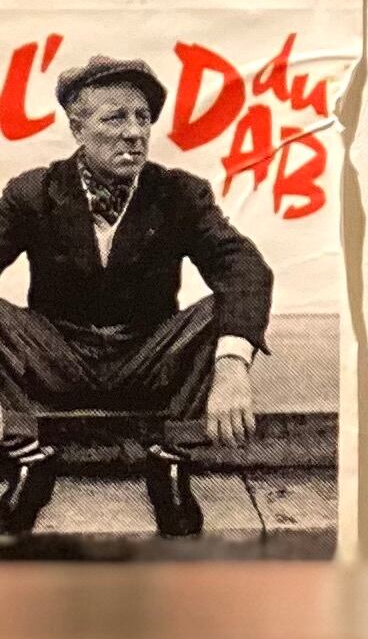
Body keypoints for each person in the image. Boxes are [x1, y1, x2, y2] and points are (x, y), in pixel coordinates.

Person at [0, 55, 273, 541]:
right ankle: (30, 458)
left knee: (222, 311)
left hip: (148, 359)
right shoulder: (33, 192)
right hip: (56, 358)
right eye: (115, 118)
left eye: (142, 117)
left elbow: (243, 268)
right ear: (78, 128)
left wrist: (233, 365)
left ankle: (170, 459)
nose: (134, 133)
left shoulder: (180, 194)